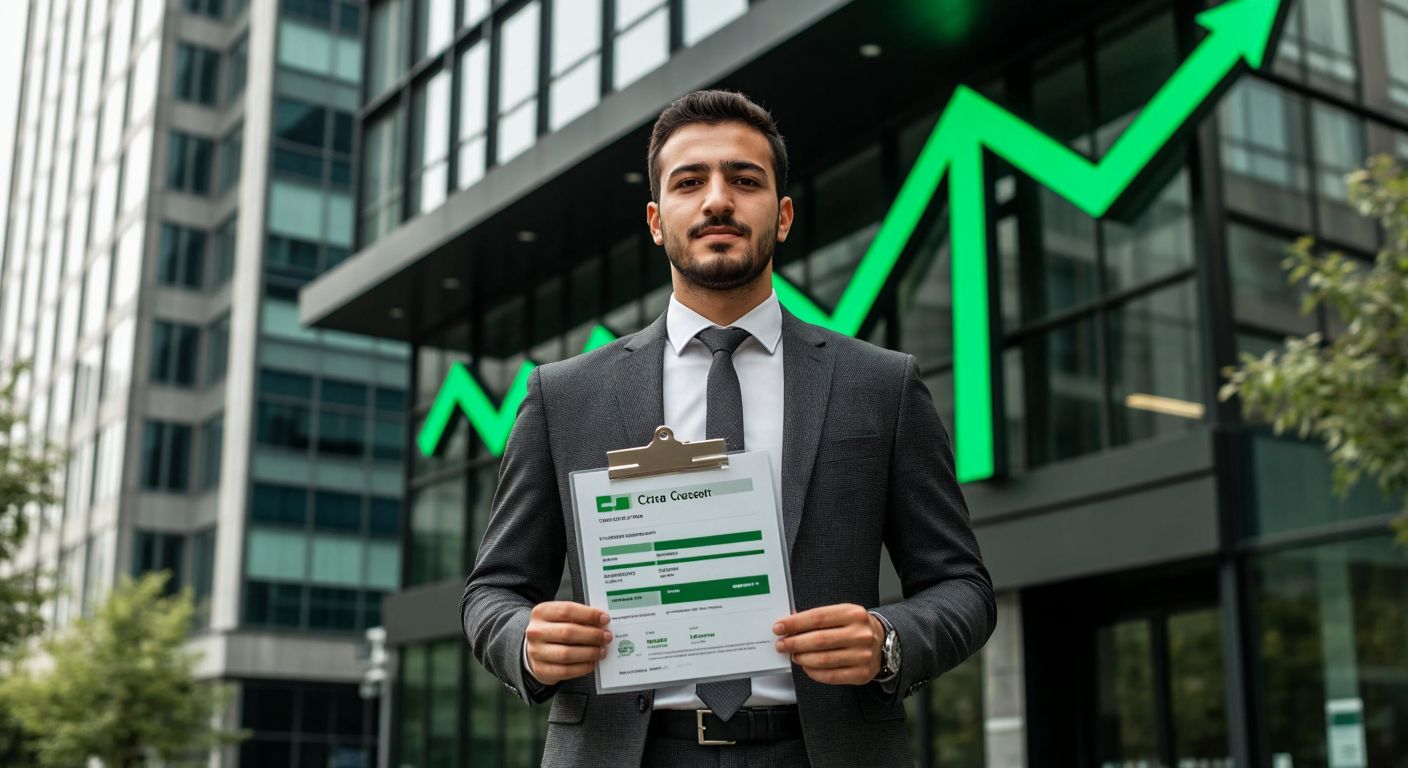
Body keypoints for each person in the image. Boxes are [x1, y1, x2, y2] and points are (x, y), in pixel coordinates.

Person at [461, 89, 994, 768]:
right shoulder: (565, 395)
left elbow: (964, 587)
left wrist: (889, 640)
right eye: (690, 182)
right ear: (657, 220)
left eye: (745, 180)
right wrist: (524, 643)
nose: (718, 200)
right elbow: (491, 592)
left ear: (784, 215)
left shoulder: (879, 386)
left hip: (821, 750)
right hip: (625, 752)